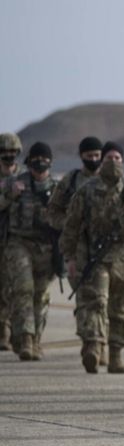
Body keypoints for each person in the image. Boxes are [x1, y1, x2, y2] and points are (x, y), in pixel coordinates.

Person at [61, 141, 124, 374]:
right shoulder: (87, 190)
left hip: (123, 258)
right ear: (102, 161)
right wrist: (70, 257)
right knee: (96, 301)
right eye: (109, 158)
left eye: (117, 158)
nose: (113, 162)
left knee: (119, 307)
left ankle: (116, 354)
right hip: (95, 256)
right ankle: (93, 347)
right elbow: (71, 225)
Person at [0, 143, 60, 361]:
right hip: (19, 244)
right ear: (28, 161)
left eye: (44, 158)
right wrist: (10, 196)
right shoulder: (14, 183)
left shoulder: (57, 188)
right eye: (36, 158)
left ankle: (35, 341)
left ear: (50, 162)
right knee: (23, 289)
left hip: (46, 248)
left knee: (41, 296)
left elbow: (68, 219)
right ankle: (25, 338)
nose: (40, 162)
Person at [44, 136, 104, 237]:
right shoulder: (70, 180)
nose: (93, 159)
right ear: (81, 156)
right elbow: (52, 210)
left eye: (97, 155)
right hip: (76, 242)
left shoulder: (110, 179)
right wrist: (68, 224)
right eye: (89, 156)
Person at [0, 131, 22, 352]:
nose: (9, 156)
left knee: (15, 288)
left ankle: (15, 333)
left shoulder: (24, 176)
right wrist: (9, 196)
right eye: (4, 152)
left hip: (17, 240)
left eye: (12, 152)